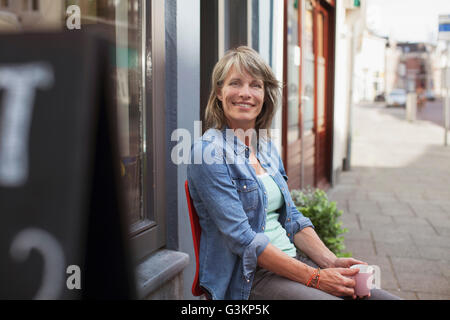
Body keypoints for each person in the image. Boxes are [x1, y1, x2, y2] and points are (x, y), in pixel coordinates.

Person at [187, 46, 400, 300]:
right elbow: (244, 240)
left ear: (265, 95)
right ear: (219, 93)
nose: (245, 93)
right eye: (235, 83)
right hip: (249, 278)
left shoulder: (264, 146)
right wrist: (317, 278)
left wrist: (330, 263)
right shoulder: (208, 153)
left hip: (292, 263)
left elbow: (293, 219)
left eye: (255, 85)